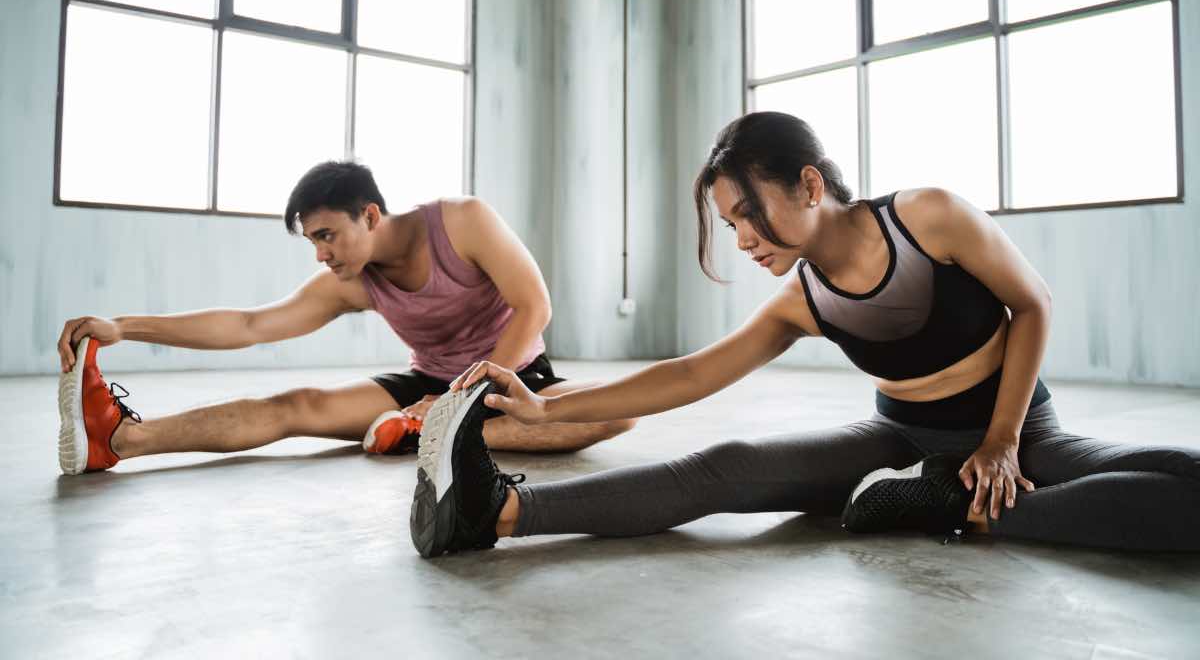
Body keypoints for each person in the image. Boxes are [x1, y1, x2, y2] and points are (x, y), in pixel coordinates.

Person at [407, 112, 1200, 558]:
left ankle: (953, 508)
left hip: (1018, 430)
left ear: (810, 185)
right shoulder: (803, 299)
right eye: (729, 225)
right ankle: (497, 514)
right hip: (898, 438)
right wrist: (549, 409)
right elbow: (689, 375)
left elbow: (1035, 305)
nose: (744, 239)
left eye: (749, 214)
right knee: (728, 466)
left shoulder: (928, 217)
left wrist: (998, 442)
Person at [55, 161, 635, 476]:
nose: (321, 253)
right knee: (296, 405)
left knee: (620, 412)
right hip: (425, 386)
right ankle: (123, 441)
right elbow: (250, 325)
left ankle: (435, 430)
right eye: (313, 241)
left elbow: (535, 306)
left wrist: (465, 399)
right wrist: (125, 327)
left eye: (327, 235)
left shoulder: (463, 221)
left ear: (371, 214)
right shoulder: (353, 282)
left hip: (512, 376)